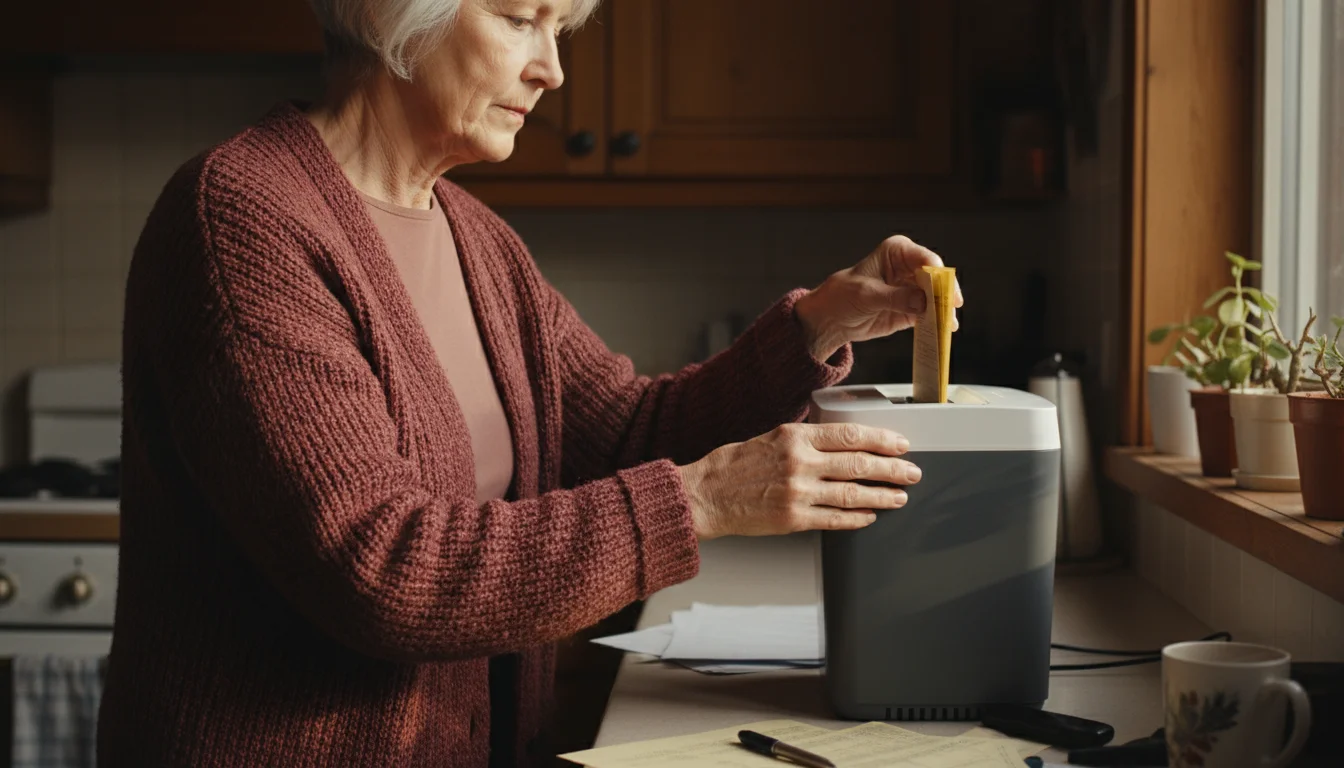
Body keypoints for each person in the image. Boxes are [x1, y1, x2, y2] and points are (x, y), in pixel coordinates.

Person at [98, 0, 962, 765]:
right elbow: (382, 569)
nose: (553, 70)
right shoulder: (240, 219)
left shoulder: (481, 243)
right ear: (391, 13)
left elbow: (627, 433)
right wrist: (701, 500)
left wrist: (817, 325)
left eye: (560, 29)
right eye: (521, 19)